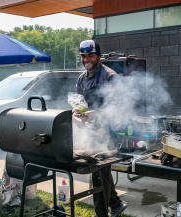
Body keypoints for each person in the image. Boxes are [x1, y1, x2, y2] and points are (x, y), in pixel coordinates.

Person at [72, 39, 127, 217]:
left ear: (98, 56)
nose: (86, 59)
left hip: (108, 130)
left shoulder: (110, 77)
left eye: (90, 55)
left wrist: (96, 114)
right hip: (92, 130)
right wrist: (76, 113)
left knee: (98, 170)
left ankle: (101, 213)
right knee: (102, 171)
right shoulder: (82, 78)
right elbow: (79, 103)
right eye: (83, 56)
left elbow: (118, 106)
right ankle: (116, 204)